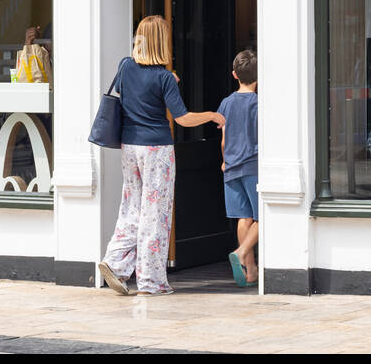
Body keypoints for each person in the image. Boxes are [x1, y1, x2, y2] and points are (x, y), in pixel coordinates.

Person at [98, 15, 226, 297]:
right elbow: (182, 119)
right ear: (163, 42)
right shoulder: (165, 77)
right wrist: (213, 115)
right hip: (156, 149)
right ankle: (150, 282)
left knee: (131, 207)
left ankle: (115, 262)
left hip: (129, 147)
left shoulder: (125, 65)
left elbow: (129, 91)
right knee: (155, 215)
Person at [218, 49, 259, 287]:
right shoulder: (258, 103)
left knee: (244, 218)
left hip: (231, 167)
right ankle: (242, 252)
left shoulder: (226, 103)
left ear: (234, 75)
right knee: (263, 216)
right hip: (252, 165)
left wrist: (224, 160)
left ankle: (250, 271)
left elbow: (224, 138)